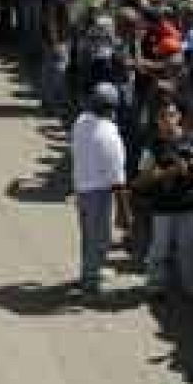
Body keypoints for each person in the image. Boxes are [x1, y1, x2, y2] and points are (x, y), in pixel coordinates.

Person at [134, 101, 193, 299]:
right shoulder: (152, 145)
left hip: (188, 203)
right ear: (157, 121)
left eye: (172, 115)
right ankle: (155, 286)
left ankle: (192, 287)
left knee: (188, 247)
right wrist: (165, 173)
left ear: (179, 117)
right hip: (163, 206)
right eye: (164, 116)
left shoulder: (192, 140)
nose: (169, 120)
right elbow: (141, 180)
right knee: (160, 247)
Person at [70, 82, 129, 294]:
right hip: (99, 193)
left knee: (88, 236)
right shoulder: (110, 136)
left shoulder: (81, 121)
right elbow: (118, 180)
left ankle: (89, 272)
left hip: (81, 188)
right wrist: (124, 212)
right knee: (101, 238)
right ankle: (90, 283)